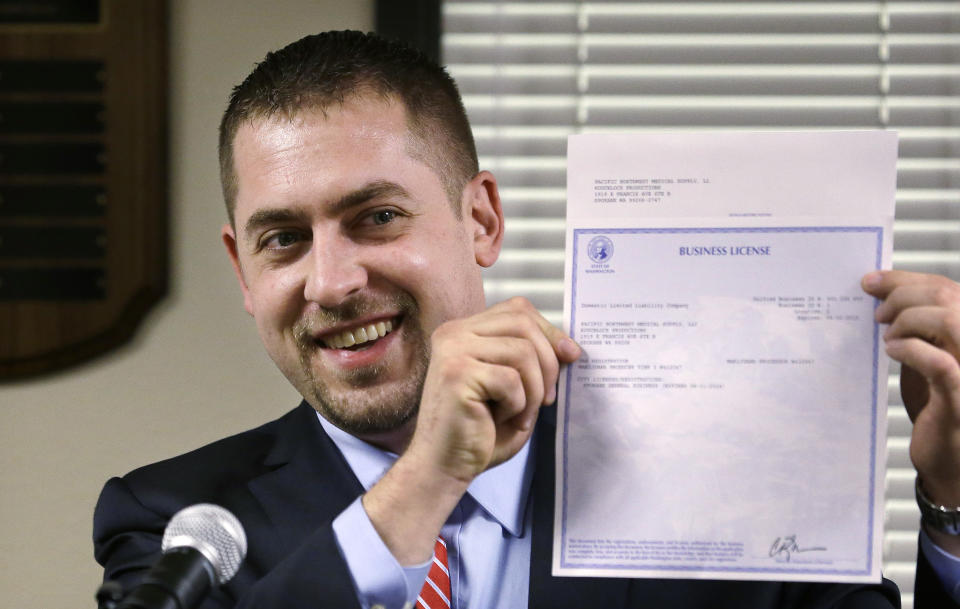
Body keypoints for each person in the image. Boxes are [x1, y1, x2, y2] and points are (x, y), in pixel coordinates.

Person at [94, 30, 960, 608]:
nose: (332, 280)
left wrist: (955, 500)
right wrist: (422, 485)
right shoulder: (176, 522)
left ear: (482, 221)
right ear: (243, 269)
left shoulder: (703, 470)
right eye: (283, 238)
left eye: (377, 217)